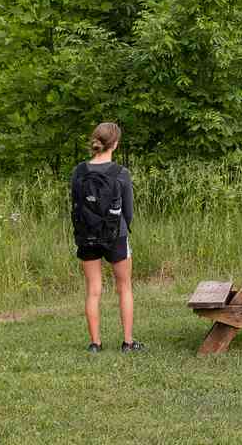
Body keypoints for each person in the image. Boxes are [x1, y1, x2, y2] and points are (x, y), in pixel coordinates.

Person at [70, 121, 143, 353]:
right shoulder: (121, 174)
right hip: (116, 235)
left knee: (93, 289)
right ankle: (128, 342)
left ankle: (95, 344)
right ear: (116, 144)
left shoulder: (78, 172)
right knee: (124, 287)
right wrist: (121, 228)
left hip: (87, 236)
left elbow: (75, 205)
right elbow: (128, 212)